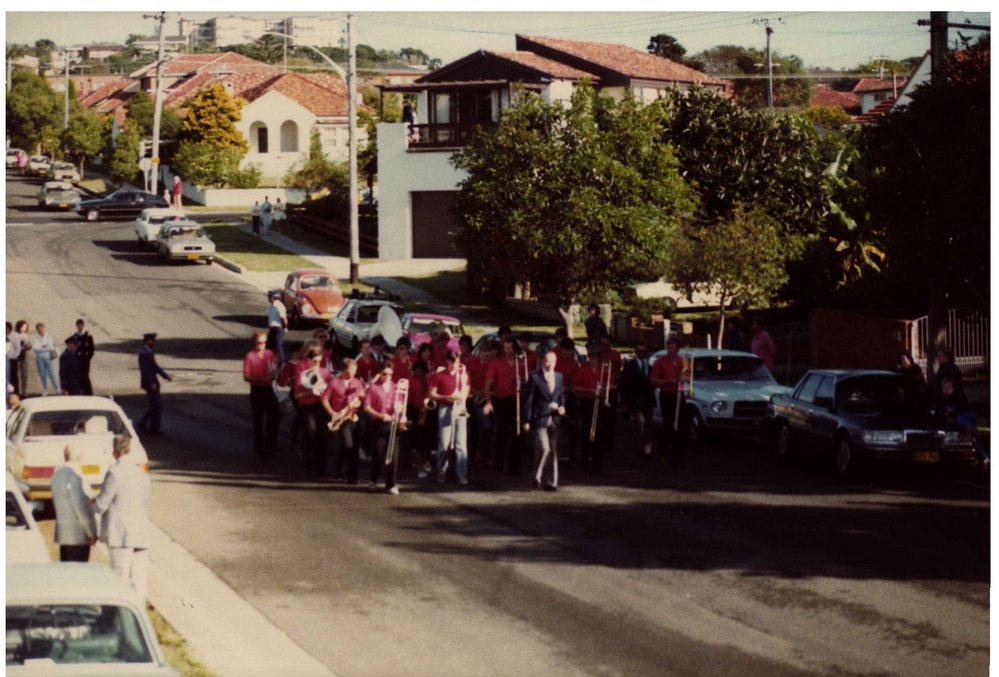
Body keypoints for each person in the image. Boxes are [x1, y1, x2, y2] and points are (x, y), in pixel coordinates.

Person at [95, 435, 152, 601]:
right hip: (140, 532)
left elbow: (102, 504)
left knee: (120, 577)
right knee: (139, 580)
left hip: (121, 535)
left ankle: (119, 617)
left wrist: (93, 504)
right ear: (129, 450)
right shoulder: (142, 474)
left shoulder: (114, 473)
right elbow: (146, 500)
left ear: (114, 452)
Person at [522, 351, 565, 491]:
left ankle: (552, 482)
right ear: (542, 361)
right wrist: (526, 420)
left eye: (553, 362)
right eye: (548, 361)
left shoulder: (559, 376)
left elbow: (561, 395)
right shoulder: (534, 377)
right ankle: (536, 475)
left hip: (554, 418)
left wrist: (562, 406)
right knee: (544, 448)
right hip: (539, 417)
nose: (550, 365)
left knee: (552, 451)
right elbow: (528, 401)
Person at [429, 351, 471, 485]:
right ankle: (441, 470)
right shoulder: (439, 375)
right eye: (451, 362)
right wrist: (446, 397)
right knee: (444, 442)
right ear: (447, 361)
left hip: (460, 408)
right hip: (445, 407)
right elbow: (432, 394)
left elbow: (467, 388)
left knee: (461, 443)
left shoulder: (463, 374)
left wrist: (462, 397)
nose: (454, 365)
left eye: (456, 362)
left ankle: (462, 475)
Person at [484, 338, 524, 475]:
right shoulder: (496, 362)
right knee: (501, 432)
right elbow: (488, 383)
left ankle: (514, 466)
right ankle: (499, 463)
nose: (507, 351)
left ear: (515, 349)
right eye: (505, 348)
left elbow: (527, 380)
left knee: (517, 433)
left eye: (509, 348)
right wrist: (488, 401)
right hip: (501, 401)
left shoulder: (520, 362)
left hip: (516, 399)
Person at [51, 445, 97, 562]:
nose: (83, 457)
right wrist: (90, 532)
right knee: (79, 573)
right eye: (81, 455)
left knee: (66, 572)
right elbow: (82, 507)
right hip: (78, 535)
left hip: (64, 534)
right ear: (76, 457)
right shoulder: (77, 476)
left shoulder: (57, 475)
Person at [293, 345, 333, 477]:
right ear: (308, 359)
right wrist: (311, 391)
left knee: (323, 436)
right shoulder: (302, 370)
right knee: (311, 432)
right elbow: (297, 395)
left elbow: (332, 390)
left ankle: (322, 468)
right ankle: (309, 464)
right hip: (307, 406)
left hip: (321, 406)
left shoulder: (325, 372)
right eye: (314, 361)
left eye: (319, 361)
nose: (316, 364)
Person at [325, 357, 366, 484]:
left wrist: (360, 400)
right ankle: (351, 476)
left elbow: (363, 398)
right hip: (342, 418)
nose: (353, 374)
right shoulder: (334, 383)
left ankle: (341, 470)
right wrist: (332, 413)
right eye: (350, 371)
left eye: (355, 371)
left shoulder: (357, 382)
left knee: (351, 447)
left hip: (354, 417)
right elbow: (325, 399)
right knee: (349, 446)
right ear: (343, 370)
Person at [364, 363, 403, 494]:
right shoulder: (373, 388)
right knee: (378, 454)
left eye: (390, 374)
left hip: (393, 423)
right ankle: (373, 480)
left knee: (394, 455)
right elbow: (367, 407)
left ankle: (391, 484)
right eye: (384, 374)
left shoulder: (396, 387)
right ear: (379, 373)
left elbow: (402, 404)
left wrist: (399, 410)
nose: (387, 377)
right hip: (379, 423)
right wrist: (380, 415)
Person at [243, 330, 281, 459]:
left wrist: (275, 372)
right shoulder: (250, 356)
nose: (262, 345)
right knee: (258, 420)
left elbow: (273, 367)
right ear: (254, 343)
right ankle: (260, 449)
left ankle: (271, 443)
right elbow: (246, 376)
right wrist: (261, 379)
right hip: (257, 390)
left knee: (275, 415)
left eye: (264, 343)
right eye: (259, 343)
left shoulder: (269, 354)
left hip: (268, 389)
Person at [650, 337, 687, 466]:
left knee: (680, 426)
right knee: (669, 424)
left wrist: (685, 377)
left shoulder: (682, 361)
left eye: (672, 348)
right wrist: (668, 381)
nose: (670, 351)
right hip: (666, 395)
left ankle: (678, 456)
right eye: (668, 348)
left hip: (679, 394)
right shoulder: (660, 362)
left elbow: (688, 376)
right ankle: (664, 453)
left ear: (677, 349)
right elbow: (653, 380)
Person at [621, 342, 657, 457]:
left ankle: (647, 449)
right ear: (635, 352)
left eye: (644, 352)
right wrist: (624, 402)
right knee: (640, 423)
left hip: (648, 400)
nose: (641, 354)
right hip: (635, 400)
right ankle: (639, 448)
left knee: (648, 425)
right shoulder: (630, 366)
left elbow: (654, 383)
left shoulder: (651, 367)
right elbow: (624, 385)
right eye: (639, 352)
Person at [137, 333, 172, 435]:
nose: (154, 343)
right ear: (148, 341)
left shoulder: (148, 351)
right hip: (150, 383)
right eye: (153, 341)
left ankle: (143, 422)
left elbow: (154, 366)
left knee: (154, 405)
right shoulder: (144, 353)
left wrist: (165, 376)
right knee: (156, 405)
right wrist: (151, 382)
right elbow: (145, 370)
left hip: (152, 382)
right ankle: (154, 429)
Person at [31, 323, 60, 396]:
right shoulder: (35, 337)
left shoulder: (48, 336)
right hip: (39, 357)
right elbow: (34, 348)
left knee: (51, 373)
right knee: (42, 374)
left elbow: (51, 347)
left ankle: (57, 388)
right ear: (37, 330)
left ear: (44, 328)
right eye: (39, 329)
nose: (41, 330)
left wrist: (41, 348)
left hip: (48, 356)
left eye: (42, 329)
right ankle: (45, 389)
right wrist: (43, 347)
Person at [74, 319, 95, 396]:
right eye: (78, 325)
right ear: (76, 326)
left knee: (85, 375)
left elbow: (91, 349)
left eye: (81, 325)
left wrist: (88, 357)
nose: (80, 327)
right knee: (78, 375)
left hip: (85, 359)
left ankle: (88, 392)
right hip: (78, 358)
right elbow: (74, 348)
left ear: (83, 325)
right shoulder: (75, 336)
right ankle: (80, 391)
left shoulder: (88, 336)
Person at [266, 290, 287, 366]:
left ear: (273, 297)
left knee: (278, 346)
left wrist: (285, 327)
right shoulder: (271, 305)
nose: (267, 298)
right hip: (272, 328)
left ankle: (282, 363)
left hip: (279, 328)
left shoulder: (280, 306)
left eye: (269, 297)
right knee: (268, 346)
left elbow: (283, 318)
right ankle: (268, 361)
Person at [13, 320, 30, 397]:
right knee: (16, 375)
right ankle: (17, 391)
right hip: (17, 357)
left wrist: (26, 346)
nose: (24, 328)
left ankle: (24, 391)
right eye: (23, 326)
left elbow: (29, 346)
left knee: (24, 375)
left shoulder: (26, 336)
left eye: (25, 327)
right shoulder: (15, 335)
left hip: (25, 357)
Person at [6, 323, 20, 397]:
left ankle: (15, 393)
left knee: (14, 377)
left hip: (12, 358)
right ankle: (8, 393)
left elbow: (18, 348)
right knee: (6, 377)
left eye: (7, 328)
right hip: (5, 358)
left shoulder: (15, 335)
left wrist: (14, 356)